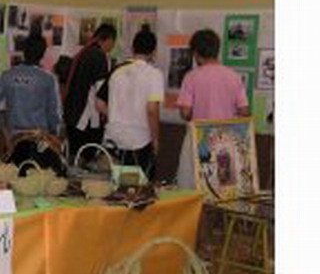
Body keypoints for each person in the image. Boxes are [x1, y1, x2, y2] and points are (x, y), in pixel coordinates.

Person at [175, 28, 250, 187]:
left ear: (196, 53)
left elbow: (185, 113)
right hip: (225, 140)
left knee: (190, 186)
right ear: (217, 49)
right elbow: (244, 112)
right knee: (222, 189)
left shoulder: (191, 77)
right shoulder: (234, 76)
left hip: (198, 138)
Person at [0, 34, 64, 175]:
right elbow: (54, 114)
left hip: (15, 141)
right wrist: (54, 135)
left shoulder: (7, 75)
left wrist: (3, 127)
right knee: (37, 182)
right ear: (43, 53)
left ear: (24, 51)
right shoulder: (48, 79)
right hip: (40, 141)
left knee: (15, 180)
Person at [95, 26, 163, 181]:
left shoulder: (117, 71)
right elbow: (152, 110)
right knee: (139, 195)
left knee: (113, 192)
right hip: (139, 142)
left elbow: (99, 103)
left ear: (133, 48)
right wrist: (156, 139)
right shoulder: (154, 74)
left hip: (112, 139)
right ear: (153, 52)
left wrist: (117, 115)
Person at [62, 23, 117, 162]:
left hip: (71, 115)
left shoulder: (83, 53)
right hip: (85, 119)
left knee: (74, 158)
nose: (112, 47)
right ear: (109, 39)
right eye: (113, 43)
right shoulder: (99, 56)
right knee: (86, 160)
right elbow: (101, 91)